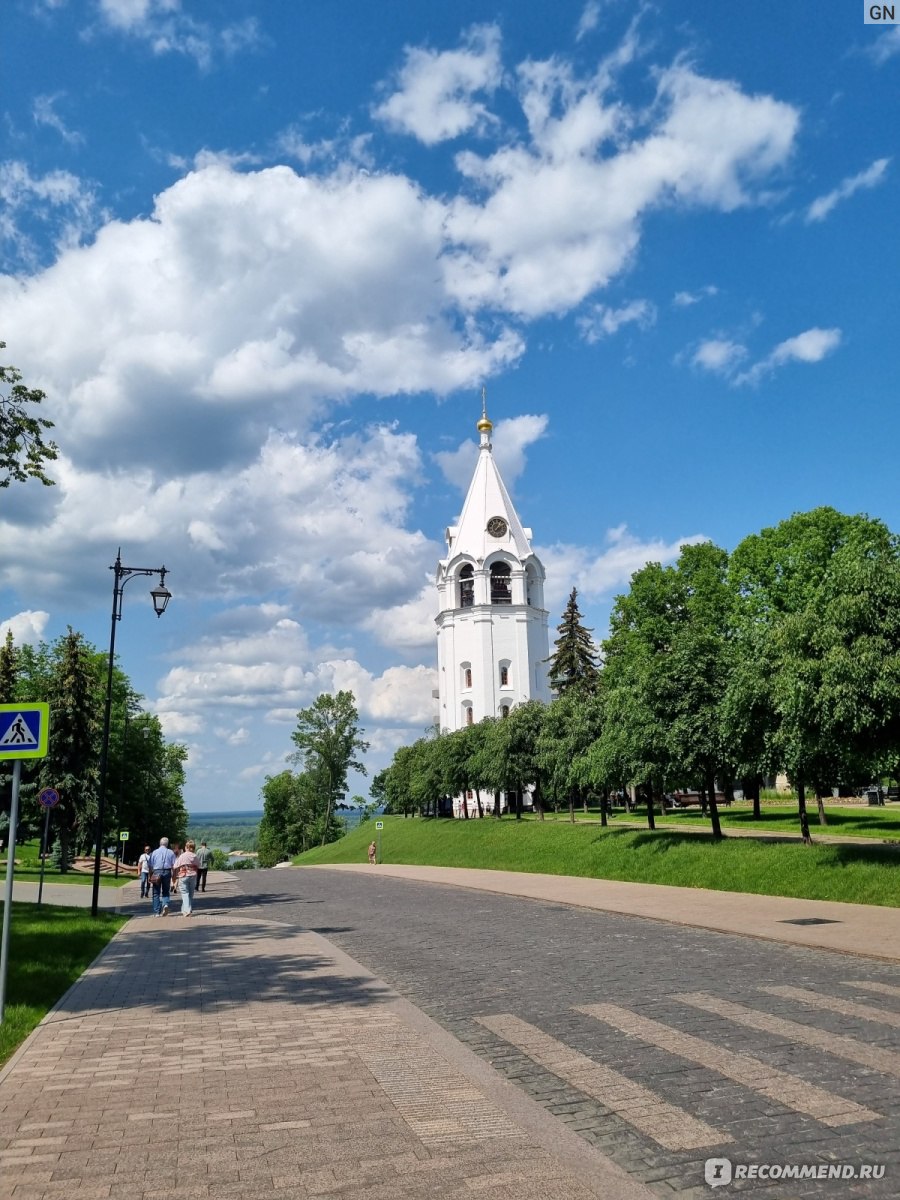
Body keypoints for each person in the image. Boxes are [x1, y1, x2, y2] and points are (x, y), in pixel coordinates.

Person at [149, 838, 176, 916]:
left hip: (156, 872)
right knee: (166, 890)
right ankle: (165, 904)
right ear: (167, 844)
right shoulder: (171, 852)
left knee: (156, 892)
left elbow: (150, 865)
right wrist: (174, 875)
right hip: (167, 872)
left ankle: (157, 912)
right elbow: (174, 865)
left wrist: (150, 875)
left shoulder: (154, 852)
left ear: (160, 843)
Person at [174, 841, 200, 917]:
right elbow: (199, 865)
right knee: (190, 894)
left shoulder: (182, 856)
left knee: (185, 893)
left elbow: (175, 865)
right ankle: (184, 910)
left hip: (183, 875)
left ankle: (187, 910)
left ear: (187, 847)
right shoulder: (194, 856)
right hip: (193, 875)